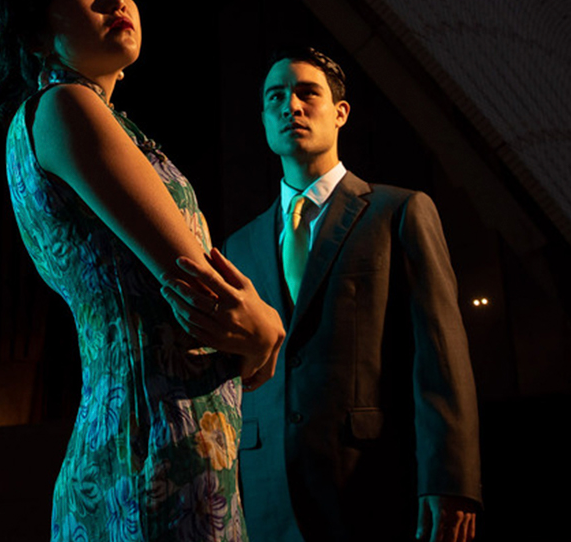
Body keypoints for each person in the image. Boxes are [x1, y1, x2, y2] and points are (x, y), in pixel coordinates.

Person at [0, 0, 285, 541]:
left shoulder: (79, 118)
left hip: (150, 441)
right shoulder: (66, 105)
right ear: (39, 30)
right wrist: (263, 329)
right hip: (157, 452)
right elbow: (195, 283)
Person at [165, 48, 481, 542]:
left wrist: (450, 478)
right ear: (264, 120)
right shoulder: (237, 247)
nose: (290, 106)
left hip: (373, 478)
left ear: (341, 112)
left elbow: (439, 355)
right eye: (275, 97)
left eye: (306, 92)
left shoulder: (399, 212)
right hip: (264, 487)